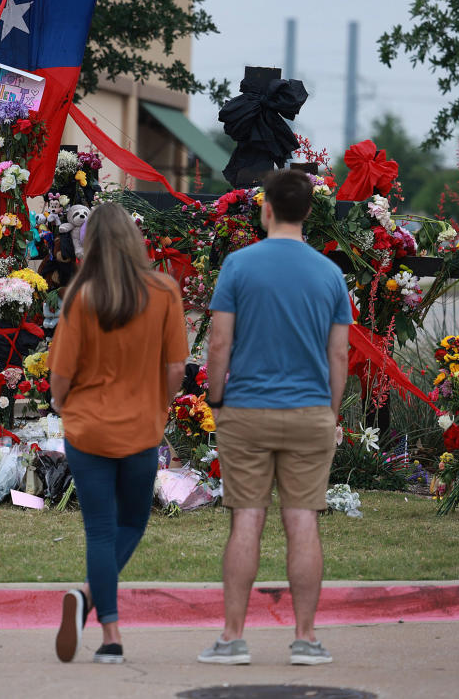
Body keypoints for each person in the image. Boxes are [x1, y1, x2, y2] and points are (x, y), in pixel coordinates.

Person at [198, 168, 351, 666]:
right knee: (302, 521)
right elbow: (340, 357)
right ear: (308, 212)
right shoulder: (330, 274)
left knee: (247, 520)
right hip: (309, 412)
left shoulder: (239, 267)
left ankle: (232, 637)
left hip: (246, 410)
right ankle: (306, 638)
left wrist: (216, 398)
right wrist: (328, 414)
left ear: (266, 208)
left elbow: (219, 342)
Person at [47, 202, 188, 664]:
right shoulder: (164, 291)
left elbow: (61, 375)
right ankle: (87, 601)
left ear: (90, 246)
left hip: (87, 430)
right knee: (131, 524)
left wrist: (61, 405)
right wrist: (160, 408)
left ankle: (110, 635)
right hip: (141, 429)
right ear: (133, 240)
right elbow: (175, 367)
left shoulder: (81, 296)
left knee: (101, 532)